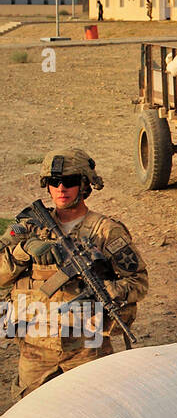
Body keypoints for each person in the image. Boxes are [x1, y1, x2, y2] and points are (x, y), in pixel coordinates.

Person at [0, 149, 148, 398]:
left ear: (84, 184)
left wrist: (105, 291)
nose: (60, 189)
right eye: (53, 182)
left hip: (87, 347)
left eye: (68, 182)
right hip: (36, 346)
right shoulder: (29, 227)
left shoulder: (107, 232)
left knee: (96, 415)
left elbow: (139, 282)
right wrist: (22, 251)